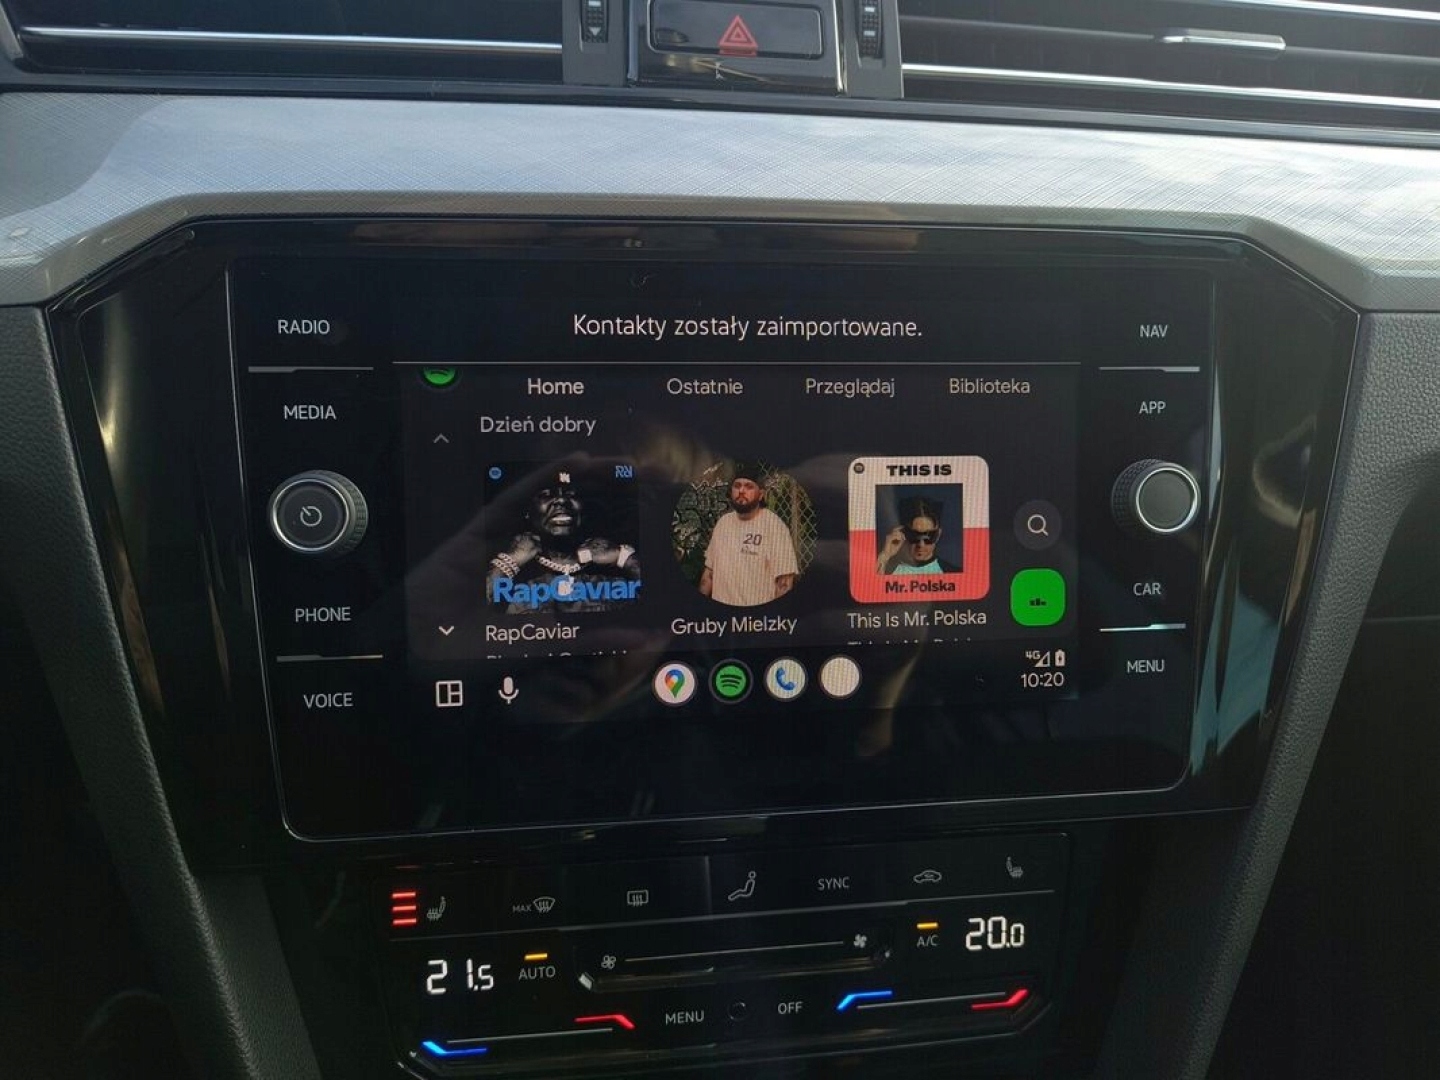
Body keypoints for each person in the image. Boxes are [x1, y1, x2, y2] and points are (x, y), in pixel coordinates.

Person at [487, 469, 641, 613]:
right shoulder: (503, 563)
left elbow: (654, 608)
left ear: (585, 509)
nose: (561, 500)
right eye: (546, 494)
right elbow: (475, 617)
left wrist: (624, 558)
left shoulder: (616, 567)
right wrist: (510, 562)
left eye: (571, 494)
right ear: (527, 510)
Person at [699, 464, 799, 607]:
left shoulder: (774, 526)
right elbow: (709, 574)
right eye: (737, 486)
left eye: (749, 487)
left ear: (761, 495)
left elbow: (784, 583)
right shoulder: (723, 523)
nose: (741, 491)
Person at [876, 496, 960, 575]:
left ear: (938, 535)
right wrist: (885, 555)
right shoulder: (884, 569)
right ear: (903, 532)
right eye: (913, 535)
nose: (921, 544)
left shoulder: (954, 573)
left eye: (930, 535)